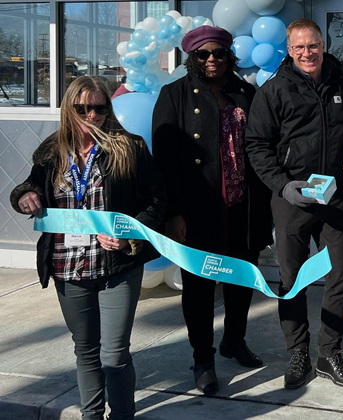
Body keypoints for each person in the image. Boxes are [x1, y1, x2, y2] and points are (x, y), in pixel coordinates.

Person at [10, 75, 166, 420]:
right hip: (68, 266)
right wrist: (24, 196)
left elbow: (158, 200)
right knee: (86, 350)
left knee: (114, 354)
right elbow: (28, 186)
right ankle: (91, 415)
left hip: (116, 265)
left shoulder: (130, 147)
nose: (92, 115)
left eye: (99, 107)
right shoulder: (52, 152)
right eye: (83, 108)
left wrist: (130, 237)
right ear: (69, 108)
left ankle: (122, 415)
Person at [151, 26, 273, 395]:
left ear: (228, 55)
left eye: (218, 53)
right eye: (203, 54)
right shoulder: (174, 95)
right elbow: (165, 162)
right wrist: (174, 213)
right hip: (199, 209)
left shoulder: (245, 92)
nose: (211, 60)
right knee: (200, 289)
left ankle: (234, 340)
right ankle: (202, 359)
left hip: (243, 206)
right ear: (192, 57)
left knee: (240, 280)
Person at [245, 19, 343, 389]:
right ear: (289, 50)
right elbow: (257, 146)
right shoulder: (274, 90)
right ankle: (298, 352)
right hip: (293, 200)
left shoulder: (342, 83)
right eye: (299, 48)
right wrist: (283, 186)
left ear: (323, 44)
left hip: (336, 199)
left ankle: (329, 353)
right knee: (292, 281)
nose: (307, 53)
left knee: (341, 276)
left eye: (312, 46)